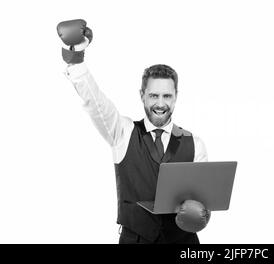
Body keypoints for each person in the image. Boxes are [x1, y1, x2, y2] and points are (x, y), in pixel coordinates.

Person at [57, 19, 211, 244]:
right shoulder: (122, 132)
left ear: (176, 96)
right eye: (153, 96)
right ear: (142, 96)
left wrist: (203, 216)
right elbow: (95, 101)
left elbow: (204, 201)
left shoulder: (194, 143)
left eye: (167, 96)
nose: (160, 103)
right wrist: (76, 58)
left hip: (184, 243)